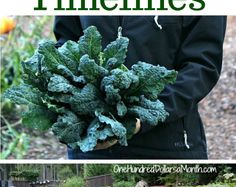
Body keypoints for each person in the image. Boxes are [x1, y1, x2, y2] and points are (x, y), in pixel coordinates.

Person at [54, 15, 226, 160]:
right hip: (92, 142)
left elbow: (201, 66)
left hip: (168, 146)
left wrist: (140, 117)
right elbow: (66, 44)